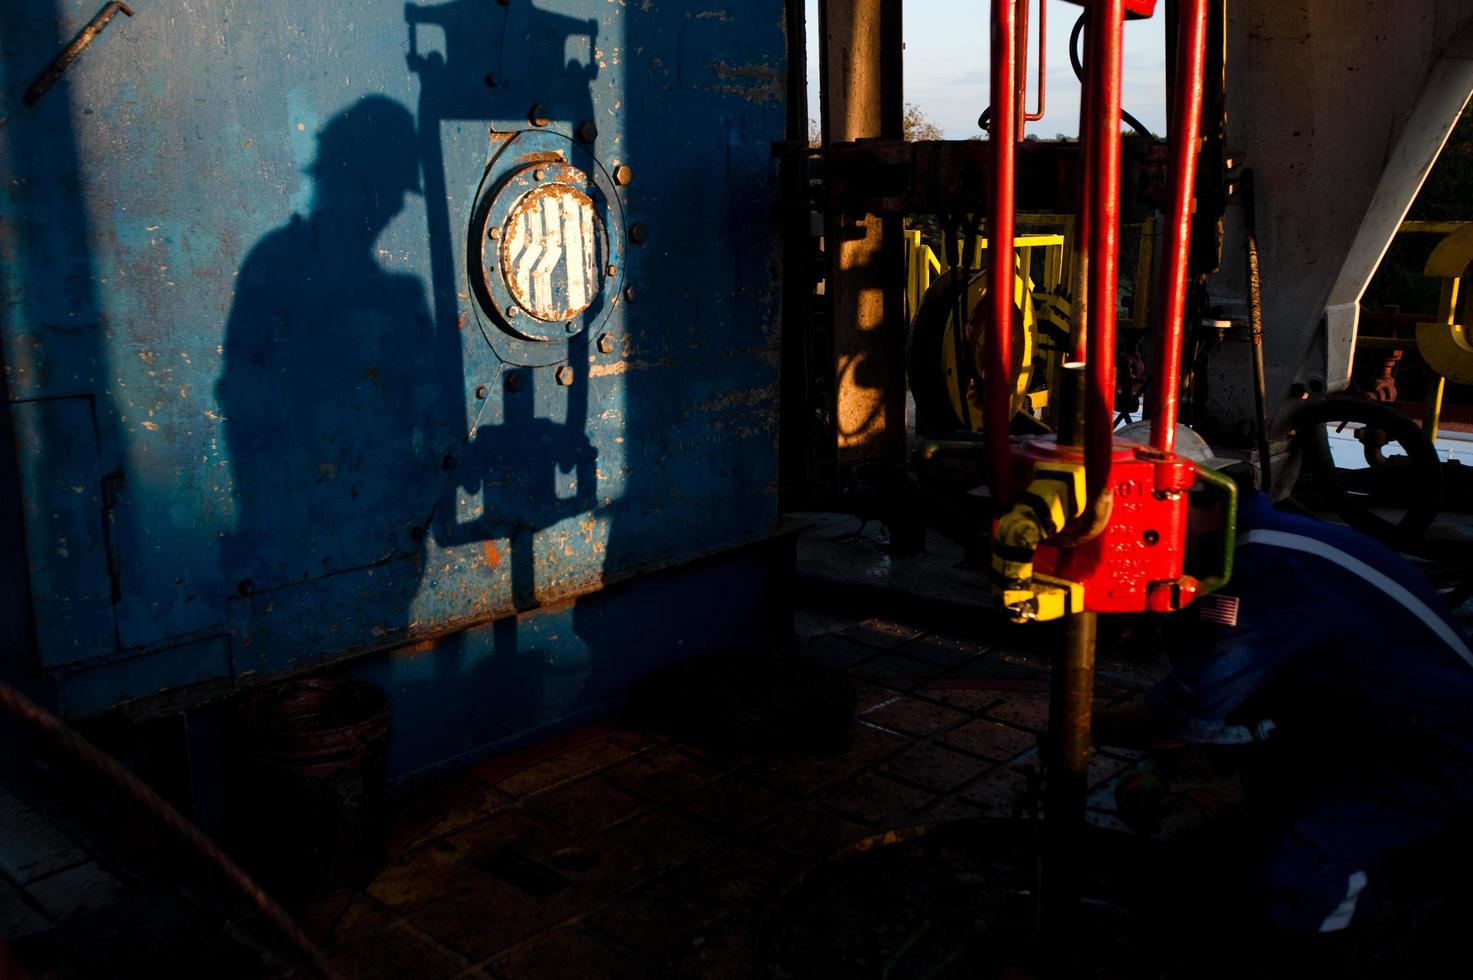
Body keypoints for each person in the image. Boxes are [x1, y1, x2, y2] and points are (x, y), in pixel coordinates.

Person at [1095, 422, 1473, 944]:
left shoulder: (1269, 567)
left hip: (1433, 755)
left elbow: (1186, 709)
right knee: (1236, 847)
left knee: (1291, 888)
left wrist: (1081, 727)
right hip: (1373, 725)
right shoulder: (1235, 559)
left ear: (1178, 500)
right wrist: (1162, 762)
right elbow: (1215, 691)